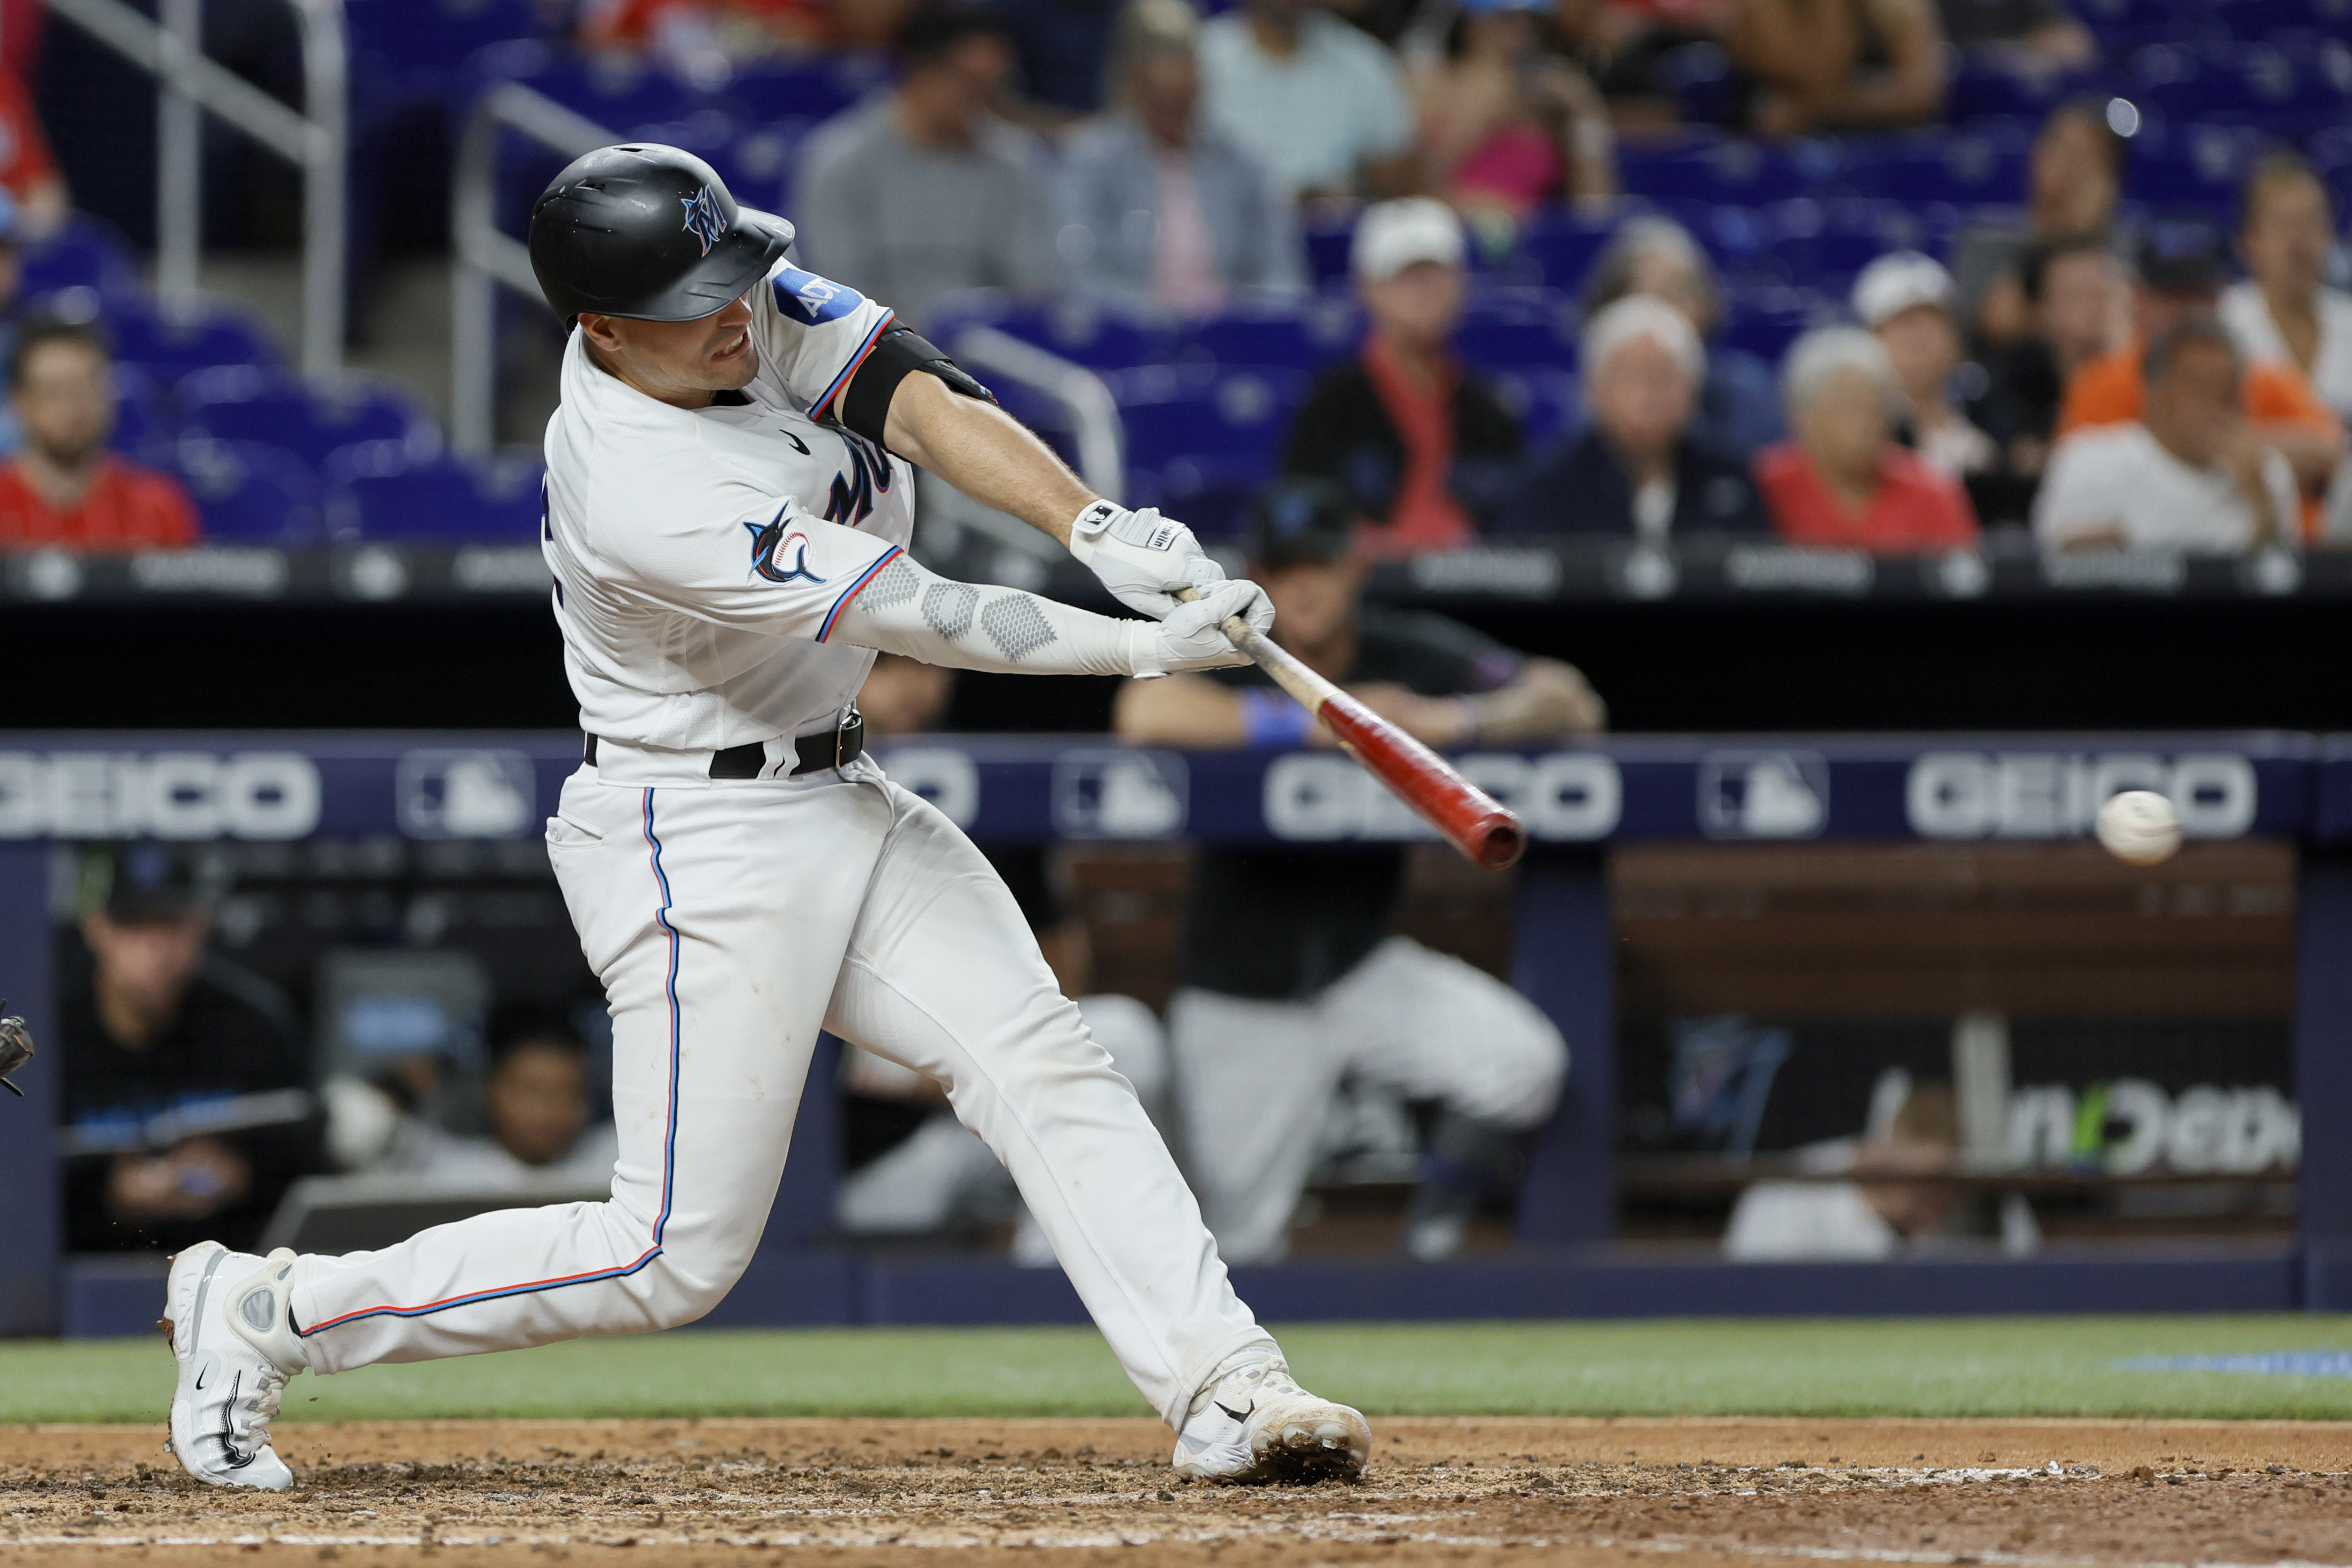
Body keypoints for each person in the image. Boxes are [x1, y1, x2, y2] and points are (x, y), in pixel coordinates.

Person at [161, 142, 1369, 1496]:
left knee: (1046, 1058)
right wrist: (1137, 650)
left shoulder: (728, 304)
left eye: (735, 271)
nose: (739, 307)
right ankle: (270, 1309)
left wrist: (1091, 524)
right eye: (697, 296)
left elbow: (912, 392)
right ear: (602, 328)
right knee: (672, 1250)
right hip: (697, 832)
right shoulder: (635, 475)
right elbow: (914, 612)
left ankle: (1225, 1382)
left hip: (836, 788)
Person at [1115, 479, 1598, 1266]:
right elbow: (1143, 714)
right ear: (1256, 574)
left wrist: (1452, 721)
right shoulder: (1225, 640)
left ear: (1356, 570)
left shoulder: (1402, 651)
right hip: (1239, 991)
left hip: (1357, 965)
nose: (1303, 584)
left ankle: (1427, 1240)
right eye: (1285, 566)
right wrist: (1321, 720)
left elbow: (1568, 698)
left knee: (1521, 1063)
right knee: (1238, 1240)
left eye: (1322, 564)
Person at [59, 846, 319, 1256]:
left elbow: (307, 1160)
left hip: (233, 1274)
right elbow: (20, 1184)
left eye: (170, 925)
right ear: (98, 928)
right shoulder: (51, 1033)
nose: (154, 949)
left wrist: (241, 1172)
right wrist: (107, 1190)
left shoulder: (253, 1026)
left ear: (199, 925)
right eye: (134, 926)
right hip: (79, 1276)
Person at [2057, 217, 2344, 526]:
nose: (2189, 311)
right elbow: (2078, 474)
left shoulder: (2257, 376)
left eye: (2200, 296)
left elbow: (2330, 451)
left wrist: (2239, 443)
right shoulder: (2104, 382)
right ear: (2141, 300)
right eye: (2173, 297)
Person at [1281, 198, 1521, 554]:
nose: (1425, 289)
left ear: (1462, 284)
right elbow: (1297, 514)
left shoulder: (1491, 407)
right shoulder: (1329, 403)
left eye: (1437, 273)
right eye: (1405, 276)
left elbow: (1518, 518)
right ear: (1367, 288)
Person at [794, 4, 1058, 327]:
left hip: (995, 354)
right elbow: (837, 293)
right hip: (877, 352)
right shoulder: (839, 160)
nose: (984, 98)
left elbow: (1035, 287)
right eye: (970, 81)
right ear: (921, 72)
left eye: (993, 83)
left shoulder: (1016, 162)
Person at [1053, 0, 1303, 313]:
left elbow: (1281, 272)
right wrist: (1157, 319)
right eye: (1162, 101)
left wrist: (1244, 321)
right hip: (1127, 335)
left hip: (1229, 331)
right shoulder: (1091, 159)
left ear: (1200, 89)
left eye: (1183, 100)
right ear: (1135, 89)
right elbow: (1076, 269)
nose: (1174, 113)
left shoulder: (1244, 163)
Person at [1495, 293, 1769, 536]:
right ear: (1595, 390)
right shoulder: (1548, 485)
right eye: (1631, 375)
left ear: (1693, 389)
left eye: (1664, 374)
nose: (1649, 392)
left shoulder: (1729, 477)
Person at [2034, 314, 2297, 554]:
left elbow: (2280, 581)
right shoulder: (2091, 461)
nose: (2219, 407)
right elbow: (2051, 566)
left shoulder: (2268, 474)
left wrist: (2261, 502)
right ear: (2155, 393)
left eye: (2231, 392)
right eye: (2202, 389)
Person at [1724, 1083, 2036, 1259]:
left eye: (1945, 1190)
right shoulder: (1788, 1196)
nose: (1936, 1203)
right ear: (1875, 1159)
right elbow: (1745, 1300)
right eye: (1921, 1185)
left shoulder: (1982, 1205)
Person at [1758, 325, 1980, 552]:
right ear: (1802, 416)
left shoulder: (1932, 490)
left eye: (1873, 405)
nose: (1863, 421)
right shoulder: (1767, 484)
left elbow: (1963, 574)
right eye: (1845, 404)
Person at [1582, 217, 1781, 459]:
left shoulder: (1746, 391)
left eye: (1680, 293)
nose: (1666, 311)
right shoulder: (1591, 401)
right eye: (1651, 296)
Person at [1962, 235, 2126, 523]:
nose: (2096, 307)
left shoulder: (2146, 379)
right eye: (2078, 295)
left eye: (2104, 294)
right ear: (2039, 310)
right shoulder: (2008, 381)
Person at [1409, 0, 1616, 228]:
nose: (1522, 30)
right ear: (1473, 22)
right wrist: (1493, 103)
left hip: (1536, 237)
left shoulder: (1553, 94)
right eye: (1507, 19)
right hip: (1451, 231)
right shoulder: (1430, 82)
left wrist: (1583, 111)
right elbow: (1421, 182)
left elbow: (1596, 208)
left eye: (1532, 21)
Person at [0, 318, 200, 551]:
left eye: (86, 388)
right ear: (20, 401)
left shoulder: (158, 506)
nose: (73, 408)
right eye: (55, 391)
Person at [1196, 0, 1418, 206]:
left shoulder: (1367, 65)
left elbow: (1397, 188)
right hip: (1223, 229)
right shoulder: (1200, 61)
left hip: (1331, 234)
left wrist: (1347, 197)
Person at [1950, 99, 2128, 348]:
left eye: (2091, 156)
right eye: (2065, 151)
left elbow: (2122, 331)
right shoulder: (1987, 242)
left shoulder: (2127, 250)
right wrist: (2065, 235)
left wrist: (2090, 235)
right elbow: (2001, 322)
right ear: (2038, 157)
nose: (2075, 168)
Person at [402, 1012, 620, 1191]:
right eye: (532, 1091)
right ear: (490, 1091)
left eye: (570, 1092)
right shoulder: (451, 1177)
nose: (550, 1111)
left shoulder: (615, 1168)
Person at [2219, 151, 2352, 424]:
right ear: (2250, 241)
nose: (2299, 245)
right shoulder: (2224, 322)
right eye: (2284, 225)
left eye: (2310, 223)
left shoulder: (2348, 320)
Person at [1852, 251, 1995, 480]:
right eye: (1905, 325)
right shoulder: (1860, 429)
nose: (1920, 339)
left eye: (1933, 323)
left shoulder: (1989, 411)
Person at [1724, 0, 1947, 138]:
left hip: (1883, 148)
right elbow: (1818, 72)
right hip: (1791, 158)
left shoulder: (1898, 8)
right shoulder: (1757, 9)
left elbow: (1921, 93)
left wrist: (1817, 107)